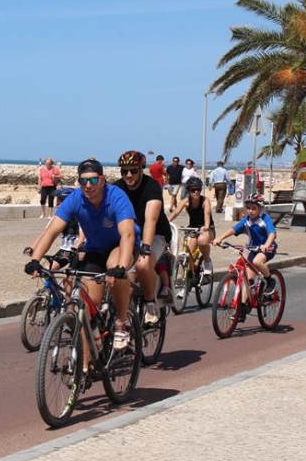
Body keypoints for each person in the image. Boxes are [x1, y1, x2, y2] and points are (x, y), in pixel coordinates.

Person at [25, 158, 137, 351]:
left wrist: (121, 267)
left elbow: (127, 235)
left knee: (113, 265)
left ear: (102, 180)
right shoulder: (75, 198)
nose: (88, 185)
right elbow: (51, 232)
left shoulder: (117, 197)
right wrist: (35, 260)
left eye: (93, 180)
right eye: (83, 181)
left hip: (122, 246)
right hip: (95, 249)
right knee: (87, 304)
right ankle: (86, 365)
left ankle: (122, 321)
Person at [114, 150, 172, 326]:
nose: (129, 175)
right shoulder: (117, 187)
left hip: (155, 234)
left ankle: (150, 302)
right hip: (130, 234)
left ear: (142, 169)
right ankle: (125, 326)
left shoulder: (152, 186)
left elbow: (151, 220)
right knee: (122, 277)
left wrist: (145, 246)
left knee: (142, 264)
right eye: (125, 171)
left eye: (133, 170)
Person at [213, 193, 278, 300]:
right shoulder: (247, 219)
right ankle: (243, 306)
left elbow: (272, 233)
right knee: (248, 280)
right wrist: (220, 238)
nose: (250, 211)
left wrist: (266, 245)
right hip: (253, 249)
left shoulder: (265, 218)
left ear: (260, 208)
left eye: (254, 208)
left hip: (268, 248)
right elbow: (234, 229)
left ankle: (270, 280)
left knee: (257, 262)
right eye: (248, 208)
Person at [168, 176, 215, 279]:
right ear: (189, 190)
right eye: (193, 190)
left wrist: (206, 227)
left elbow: (207, 214)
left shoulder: (205, 200)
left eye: (198, 189)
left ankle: (207, 261)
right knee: (186, 254)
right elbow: (175, 213)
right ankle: (184, 281)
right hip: (192, 229)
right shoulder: (186, 201)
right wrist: (166, 223)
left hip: (207, 228)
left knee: (202, 240)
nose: (196, 192)